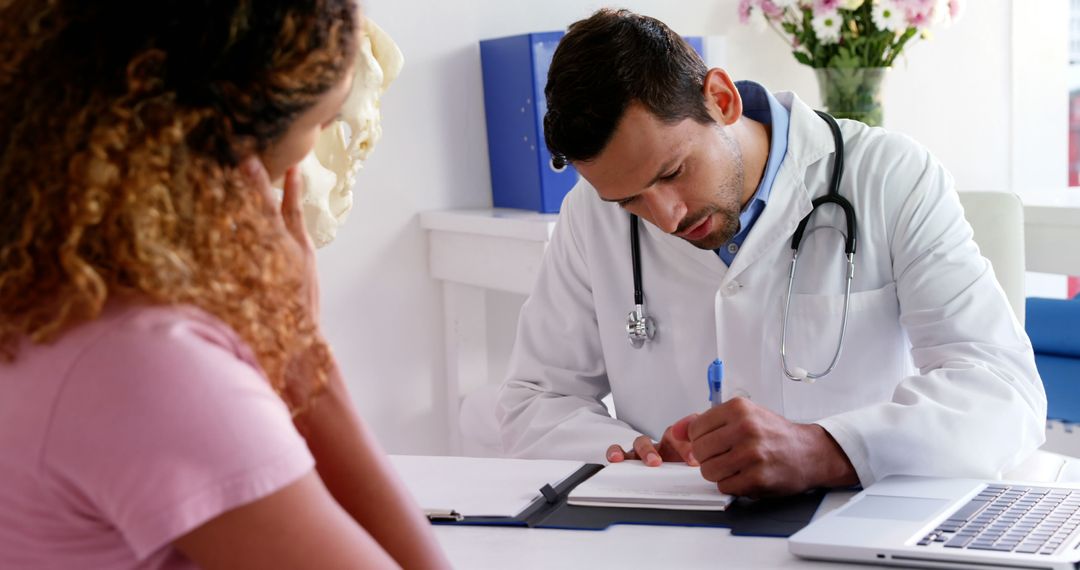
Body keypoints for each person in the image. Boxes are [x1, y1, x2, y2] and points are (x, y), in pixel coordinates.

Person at [495, 8, 1047, 498]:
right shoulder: (588, 216)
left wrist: (824, 450)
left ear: (722, 99)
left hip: (860, 518)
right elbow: (535, 401)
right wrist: (634, 452)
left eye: (672, 173)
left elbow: (1004, 393)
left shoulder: (890, 176)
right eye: (629, 200)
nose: (664, 217)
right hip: (674, 537)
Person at [0, 1, 449, 568]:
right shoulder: (149, 366)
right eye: (323, 123)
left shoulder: (40, 302)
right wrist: (305, 360)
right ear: (230, 148)